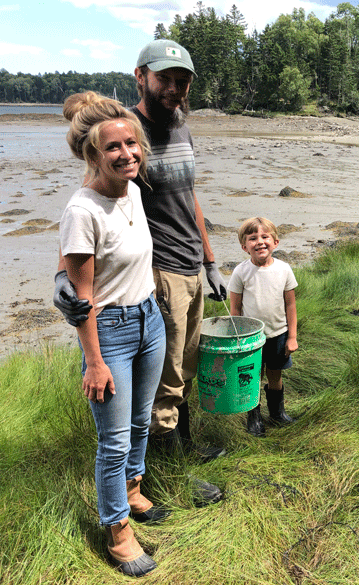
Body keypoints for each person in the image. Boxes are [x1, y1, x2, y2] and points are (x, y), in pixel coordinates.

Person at [54, 40, 226, 505]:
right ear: (141, 77)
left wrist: (210, 260)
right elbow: (89, 204)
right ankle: (170, 476)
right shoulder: (124, 131)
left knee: (183, 370)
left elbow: (191, 197)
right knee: (164, 383)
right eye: (164, 78)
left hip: (191, 267)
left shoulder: (181, 127)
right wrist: (62, 279)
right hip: (158, 275)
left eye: (182, 80)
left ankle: (180, 451)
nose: (174, 88)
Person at [59, 91, 166, 577]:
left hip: (150, 320)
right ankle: (117, 530)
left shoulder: (135, 191)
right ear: (93, 156)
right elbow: (81, 298)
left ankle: (133, 492)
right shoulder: (82, 210)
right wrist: (95, 361)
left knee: (141, 422)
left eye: (132, 143)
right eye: (114, 148)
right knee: (114, 441)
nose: (128, 154)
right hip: (111, 331)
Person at [228, 217, 298, 437]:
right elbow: (235, 309)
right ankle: (254, 418)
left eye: (265, 237)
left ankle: (277, 413)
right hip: (250, 338)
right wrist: (237, 338)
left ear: (275, 242)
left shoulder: (284, 269)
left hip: (278, 334)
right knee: (252, 378)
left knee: (275, 375)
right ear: (244, 246)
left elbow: (290, 305)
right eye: (252, 238)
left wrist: (292, 336)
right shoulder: (240, 272)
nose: (259, 242)